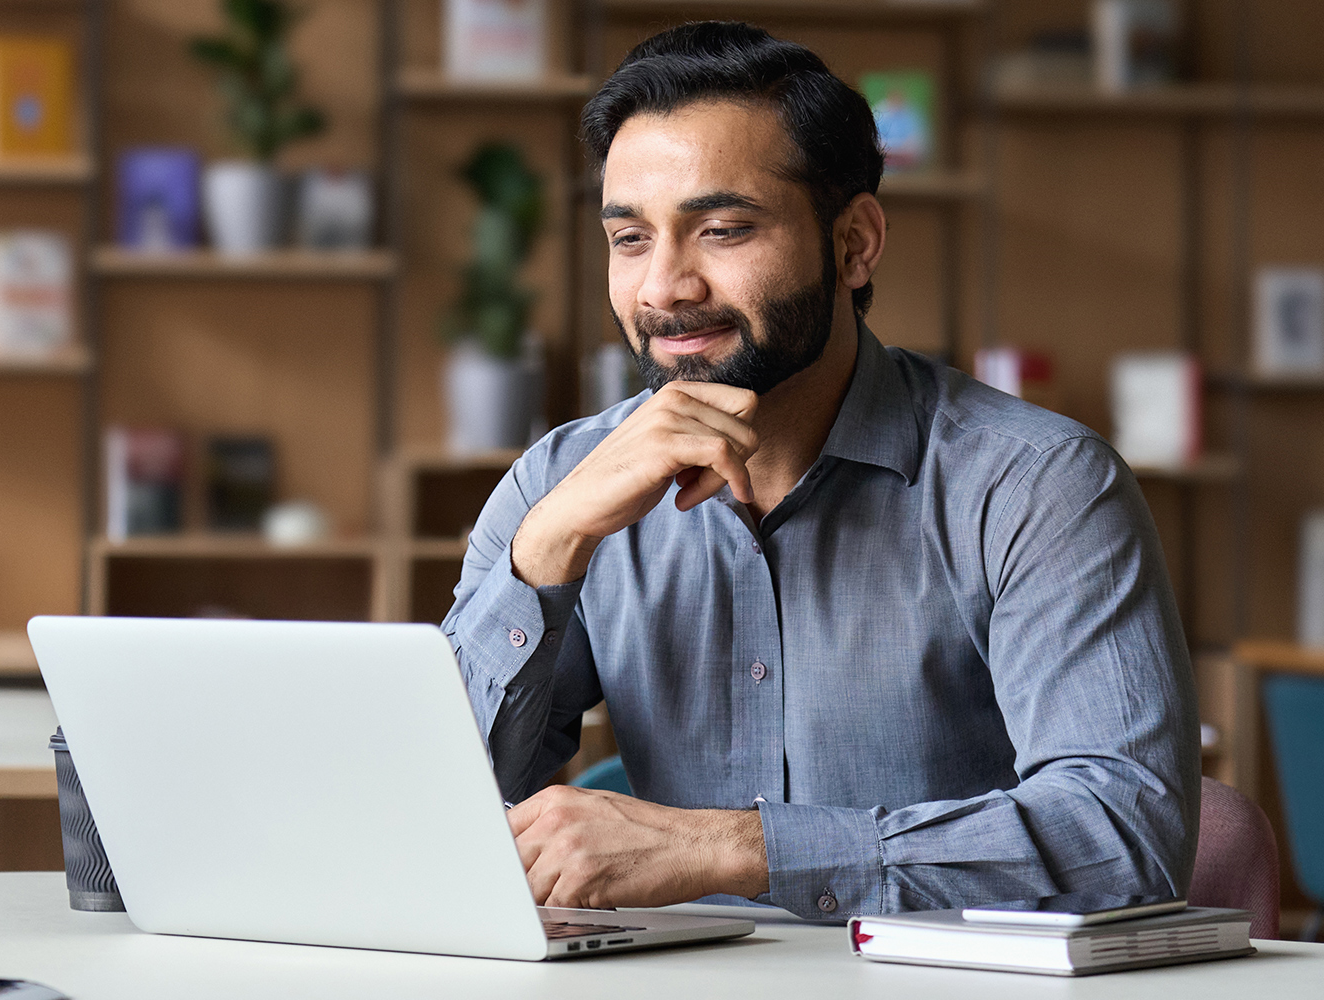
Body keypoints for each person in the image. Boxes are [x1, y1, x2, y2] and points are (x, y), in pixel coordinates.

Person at [442, 21, 1199, 921]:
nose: (664, 289)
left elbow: (1125, 837)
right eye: (631, 238)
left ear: (854, 244)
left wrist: (736, 848)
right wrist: (547, 553)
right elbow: (424, 815)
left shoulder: (1038, 486)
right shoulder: (557, 485)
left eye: (721, 229)